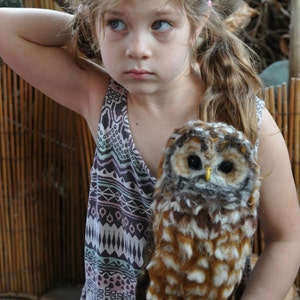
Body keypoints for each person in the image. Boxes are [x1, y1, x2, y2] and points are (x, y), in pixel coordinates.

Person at [0, 0, 299, 299]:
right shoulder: (102, 101)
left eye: (160, 24)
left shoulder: (244, 119)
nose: (138, 49)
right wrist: (89, 26)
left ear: (198, 23)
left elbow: (286, 238)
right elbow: (5, 27)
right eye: (116, 23)